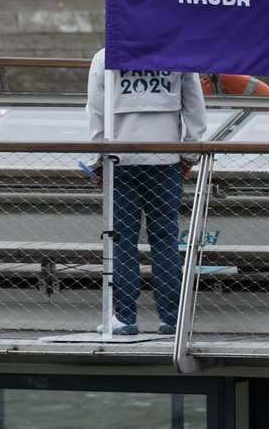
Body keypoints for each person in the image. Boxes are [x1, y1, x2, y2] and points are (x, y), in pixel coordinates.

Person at [86, 50, 207, 335]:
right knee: (165, 239)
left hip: (120, 161)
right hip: (165, 160)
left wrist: (95, 162)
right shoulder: (178, 54)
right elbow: (194, 108)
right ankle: (172, 318)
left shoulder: (105, 57)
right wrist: (189, 154)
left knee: (122, 240)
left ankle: (124, 318)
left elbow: (96, 112)